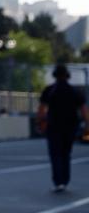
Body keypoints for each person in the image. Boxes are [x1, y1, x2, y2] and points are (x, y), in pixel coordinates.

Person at [37, 63, 89, 192]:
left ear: (55, 75)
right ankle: (64, 180)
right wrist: (87, 125)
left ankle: (58, 181)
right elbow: (84, 110)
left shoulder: (49, 90)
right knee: (66, 153)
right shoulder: (75, 91)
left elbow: (41, 109)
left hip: (54, 126)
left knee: (55, 154)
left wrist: (40, 123)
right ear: (67, 76)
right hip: (71, 126)